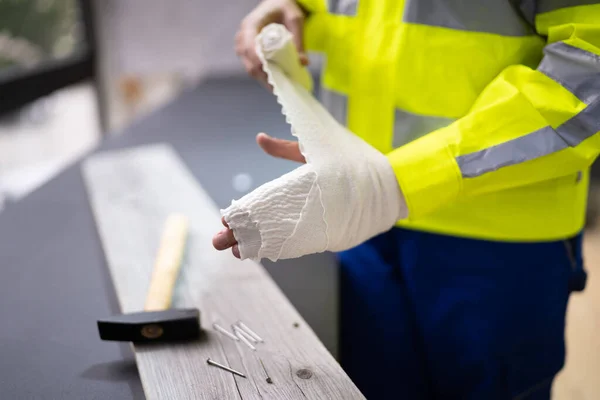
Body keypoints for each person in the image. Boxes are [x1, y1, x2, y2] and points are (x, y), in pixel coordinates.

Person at [213, 1, 599, 398]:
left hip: (497, 237)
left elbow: (590, 71)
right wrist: (291, 8)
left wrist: (403, 181)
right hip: (360, 216)